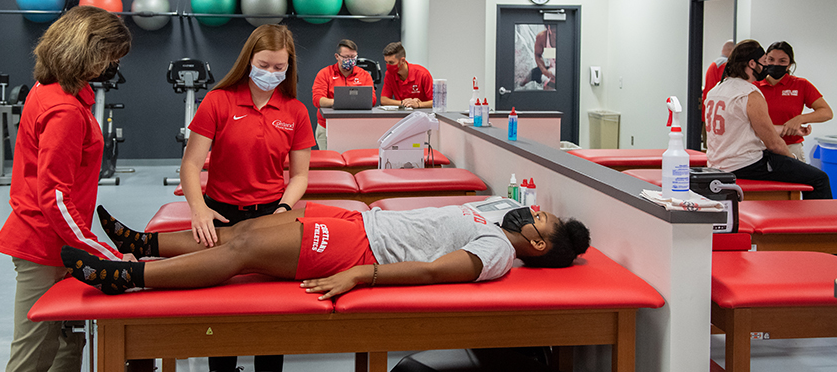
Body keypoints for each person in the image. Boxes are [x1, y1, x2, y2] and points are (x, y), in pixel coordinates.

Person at [64, 202, 591, 301]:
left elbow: (433, 271)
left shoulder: (497, 250)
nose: (532, 211)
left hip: (364, 245)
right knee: (249, 227)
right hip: (359, 220)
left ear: (538, 243)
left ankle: (128, 275)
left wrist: (362, 275)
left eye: (540, 218)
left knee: (245, 247)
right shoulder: (502, 213)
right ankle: (144, 244)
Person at [0, 6, 131, 372]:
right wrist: (102, 251)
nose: (110, 67)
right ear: (88, 53)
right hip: (44, 245)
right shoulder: (64, 110)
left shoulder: (48, 87)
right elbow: (54, 197)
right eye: (108, 57)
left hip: (59, 244)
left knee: (68, 344)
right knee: (33, 358)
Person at [178, 24, 315, 372]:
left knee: (270, 308)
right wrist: (199, 210)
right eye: (264, 65)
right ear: (248, 60)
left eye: (278, 67)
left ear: (289, 68)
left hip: (271, 216)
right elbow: (191, 165)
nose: (270, 73)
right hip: (221, 216)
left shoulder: (295, 111)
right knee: (222, 308)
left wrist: (283, 209)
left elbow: (299, 175)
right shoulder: (218, 101)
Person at [704, 39, 831, 199]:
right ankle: (821, 224)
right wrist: (792, 160)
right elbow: (774, 144)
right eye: (765, 61)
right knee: (820, 178)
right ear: (752, 64)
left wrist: (790, 127)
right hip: (746, 164)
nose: (768, 67)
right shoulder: (750, 93)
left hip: (719, 163)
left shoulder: (716, 90)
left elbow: (745, 127)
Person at [756, 41, 833, 161]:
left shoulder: (801, 85)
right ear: (765, 61)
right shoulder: (753, 86)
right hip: (758, 147)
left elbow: (827, 113)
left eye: (782, 61)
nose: (776, 64)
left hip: (791, 147)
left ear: (789, 65)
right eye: (771, 59)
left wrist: (800, 119)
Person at [311, 39, 376, 150]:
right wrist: (342, 102)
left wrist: (344, 102)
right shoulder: (325, 73)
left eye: (353, 57)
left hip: (356, 129)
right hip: (327, 127)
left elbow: (372, 100)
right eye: (346, 57)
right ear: (337, 56)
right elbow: (317, 100)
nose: (349, 60)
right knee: (330, 164)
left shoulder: (364, 75)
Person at [380, 42, 434, 109]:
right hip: (402, 115)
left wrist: (418, 104)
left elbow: (435, 102)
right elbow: (384, 100)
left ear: (402, 60)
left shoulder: (423, 74)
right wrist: (403, 103)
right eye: (386, 62)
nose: (388, 66)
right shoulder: (389, 74)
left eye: (391, 62)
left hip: (424, 115)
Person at [520, 25, 556, 90]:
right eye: (554, 32)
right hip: (551, 69)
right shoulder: (542, 37)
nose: (555, 36)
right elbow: (537, 55)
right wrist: (544, 71)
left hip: (563, 69)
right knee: (532, 74)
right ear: (549, 29)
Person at [702, 39, 735, 103]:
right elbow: (727, 85)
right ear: (732, 52)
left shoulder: (716, 63)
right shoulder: (724, 65)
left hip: (710, 103)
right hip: (717, 103)